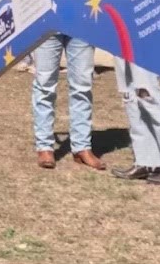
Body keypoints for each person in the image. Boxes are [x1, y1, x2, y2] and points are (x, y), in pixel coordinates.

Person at [31, 34, 105, 170]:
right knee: (44, 86)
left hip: (81, 24)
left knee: (82, 86)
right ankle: (44, 147)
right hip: (49, 23)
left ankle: (82, 147)